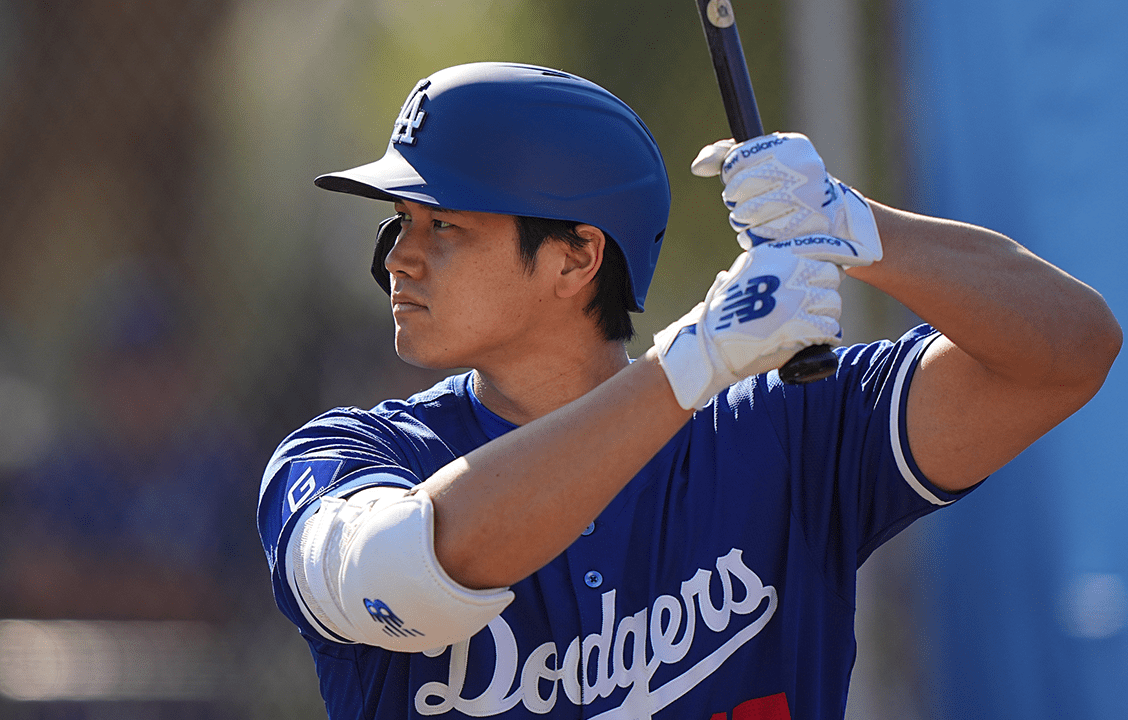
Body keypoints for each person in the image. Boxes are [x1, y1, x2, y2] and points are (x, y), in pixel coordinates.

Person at [256, 62, 1119, 719]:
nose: (399, 258)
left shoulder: (784, 430)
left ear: (577, 257)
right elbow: (406, 575)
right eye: (401, 222)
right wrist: (688, 365)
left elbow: (1071, 351)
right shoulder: (347, 455)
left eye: (442, 223)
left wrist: (855, 225)